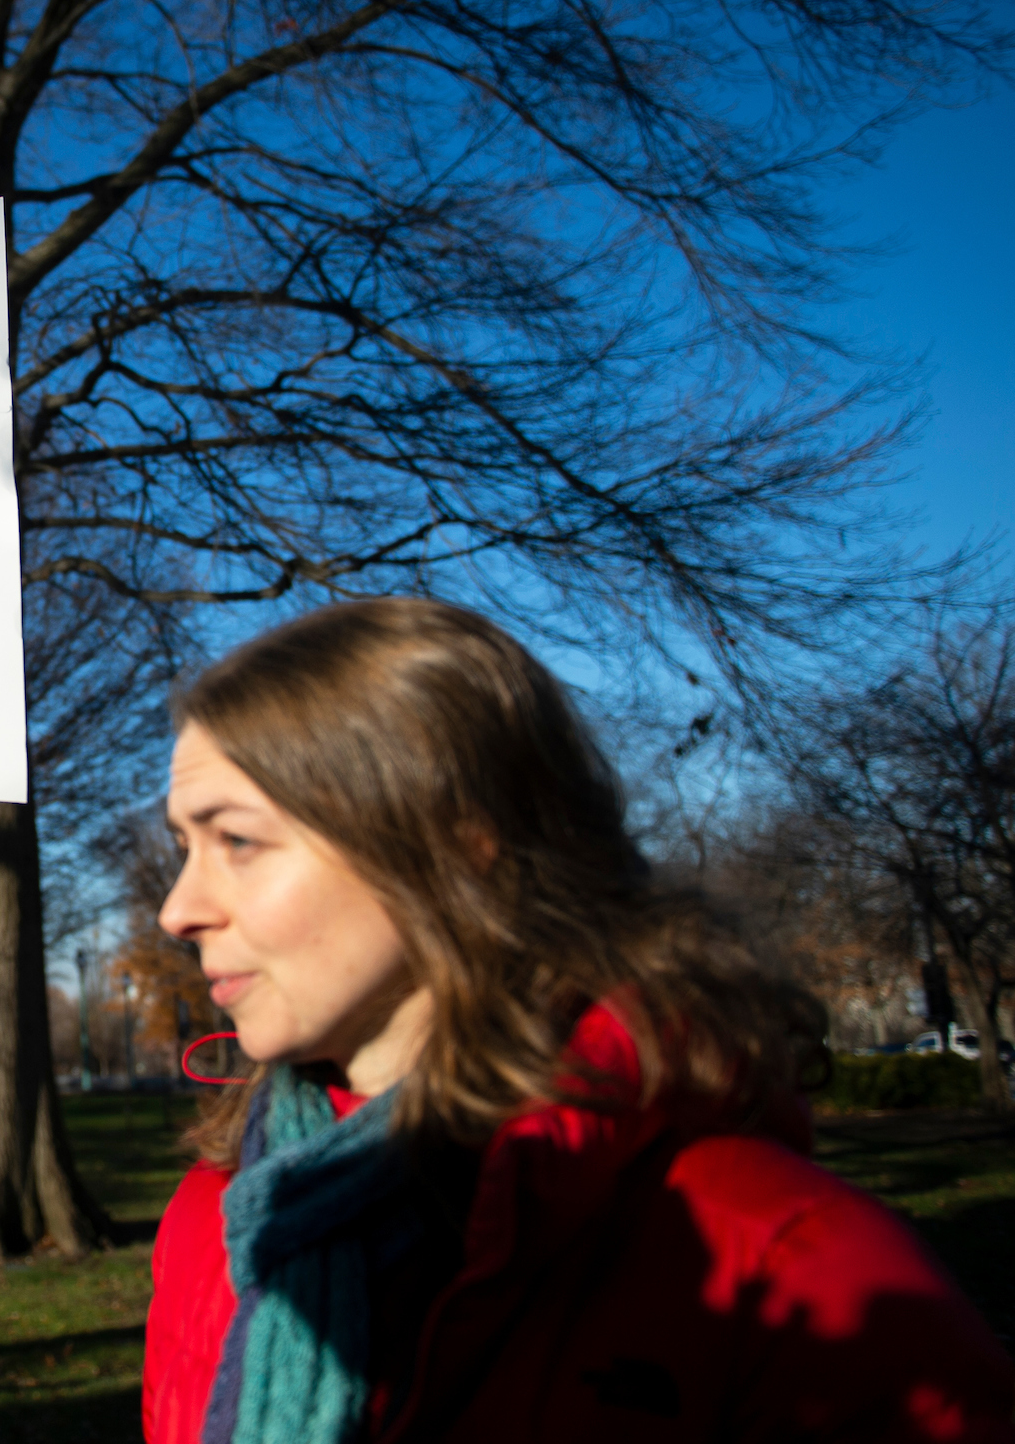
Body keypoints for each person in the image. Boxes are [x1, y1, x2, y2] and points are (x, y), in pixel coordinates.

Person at [142, 598, 1015, 1444]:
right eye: (186, 847)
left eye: (239, 842)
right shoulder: (215, 1218)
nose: (177, 911)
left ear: (457, 843)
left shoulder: (790, 1274)